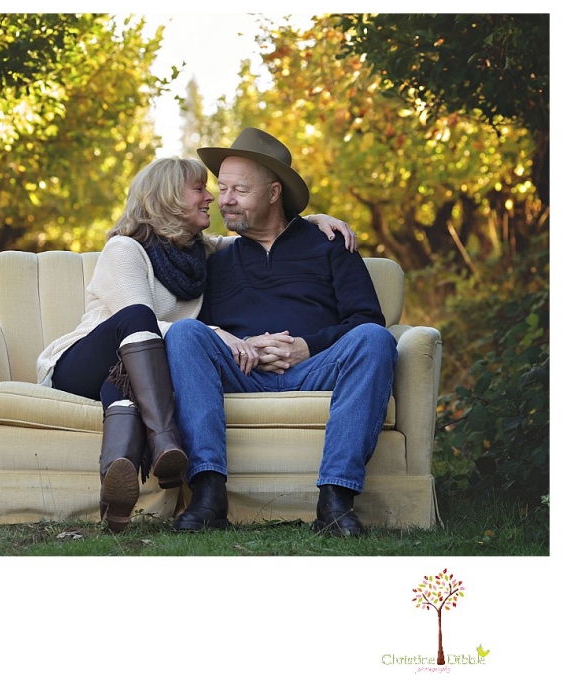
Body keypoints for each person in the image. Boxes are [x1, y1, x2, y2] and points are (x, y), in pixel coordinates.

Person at [36, 155, 356, 533]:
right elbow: (138, 324)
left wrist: (314, 222)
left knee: (122, 391)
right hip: (82, 363)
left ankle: (118, 487)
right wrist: (216, 332)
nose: (212, 198)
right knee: (141, 320)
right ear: (170, 197)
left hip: (128, 374)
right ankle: (164, 441)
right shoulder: (125, 249)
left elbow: (264, 232)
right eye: (201, 188)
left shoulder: (197, 252)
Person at [165, 128, 398, 536]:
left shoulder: (330, 245)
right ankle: (208, 495)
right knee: (184, 334)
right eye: (222, 189)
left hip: (316, 368)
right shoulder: (216, 258)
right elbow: (202, 327)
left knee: (376, 341)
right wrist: (242, 344)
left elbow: (367, 319)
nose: (225, 200)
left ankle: (336, 500)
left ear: (274, 194)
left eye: (240, 189)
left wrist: (308, 347)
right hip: (243, 371)